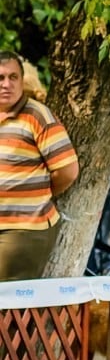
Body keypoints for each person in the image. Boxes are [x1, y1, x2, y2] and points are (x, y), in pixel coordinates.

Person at [0, 50, 79, 282]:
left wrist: (40, 194)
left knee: (8, 304)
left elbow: (68, 171)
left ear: (22, 80)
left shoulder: (37, 115)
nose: (6, 84)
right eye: (1, 78)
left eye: (13, 77)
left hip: (25, 228)